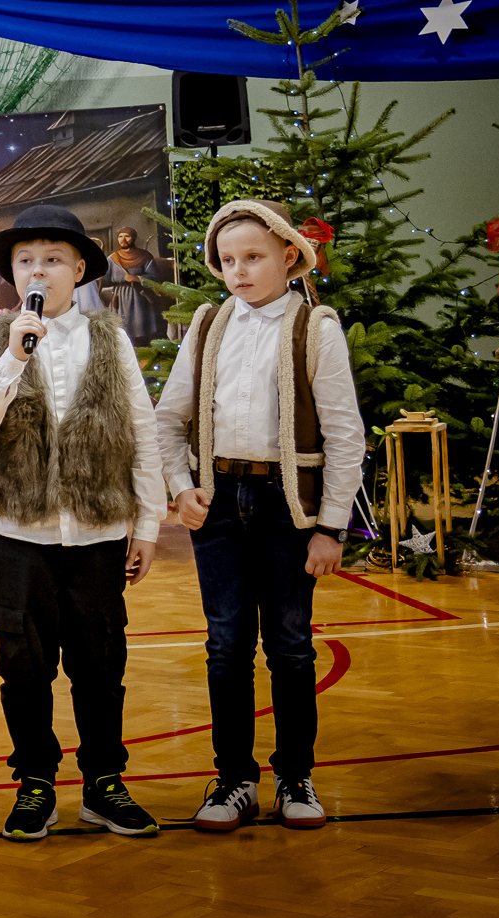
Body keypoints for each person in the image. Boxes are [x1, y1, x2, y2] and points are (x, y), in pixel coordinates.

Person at [154, 201, 364, 834]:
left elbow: (345, 434)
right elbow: (169, 419)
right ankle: (234, 778)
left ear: (289, 256)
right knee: (226, 645)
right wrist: (182, 488)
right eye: (227, 261)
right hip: (218, 504)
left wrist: (329, 526)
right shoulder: (208, 325)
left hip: (285, 507)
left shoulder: (314, 328)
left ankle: (295, 775)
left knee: (291, 645)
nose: (238, 271)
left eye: (253, 257)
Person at [0, 204, 166, 842]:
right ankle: (35, 781)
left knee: (100, 664)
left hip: (97, 534)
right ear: (12, 274)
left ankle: (104, 781)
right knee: (23, 665)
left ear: (79, 269)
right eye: (25, 261)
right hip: (18, 535)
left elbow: (142, 430)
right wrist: (15, 355)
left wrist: (148, 523)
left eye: (52, 259)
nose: (38, 271)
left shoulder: (109, 338)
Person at [99, 226, 169, 346]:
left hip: (139, 298)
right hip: (119, 297)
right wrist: (98, 277)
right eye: (120, 236)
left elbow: (154, 278)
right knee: (120, 329)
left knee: (140, 328)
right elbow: (105, 280)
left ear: (134, 238)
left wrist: (137, 278)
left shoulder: (145, 256)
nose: (123, 240)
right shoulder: (112, 258)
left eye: (127, 236)